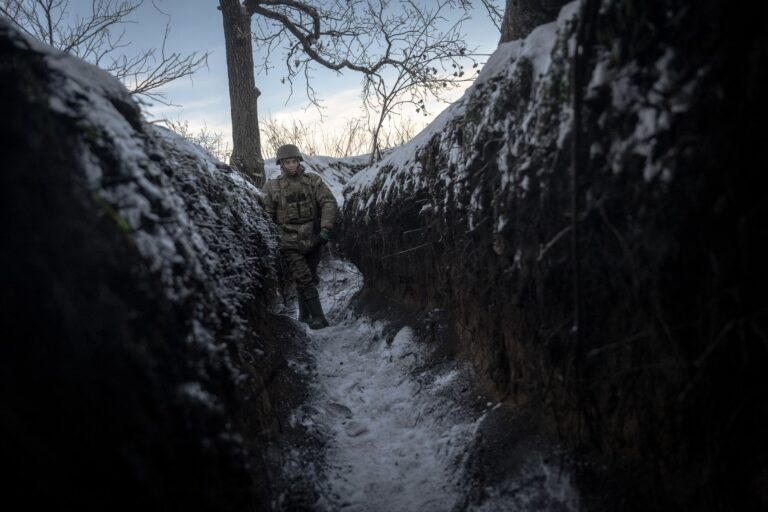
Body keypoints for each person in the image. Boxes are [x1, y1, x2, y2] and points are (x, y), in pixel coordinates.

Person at [261, 144, 338, 329]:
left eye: (294, 161)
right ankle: (319, 318)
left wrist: (325, 229)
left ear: (299, 161)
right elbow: (267, 215)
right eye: (288, 162)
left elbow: (328, 202)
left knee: (310, 276)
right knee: (303, 278)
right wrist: (273, 241)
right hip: (289, 241)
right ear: (281, 164)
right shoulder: (273, 187)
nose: (292, 165)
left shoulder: (313, 181)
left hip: (313, 239)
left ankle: (304, 316)